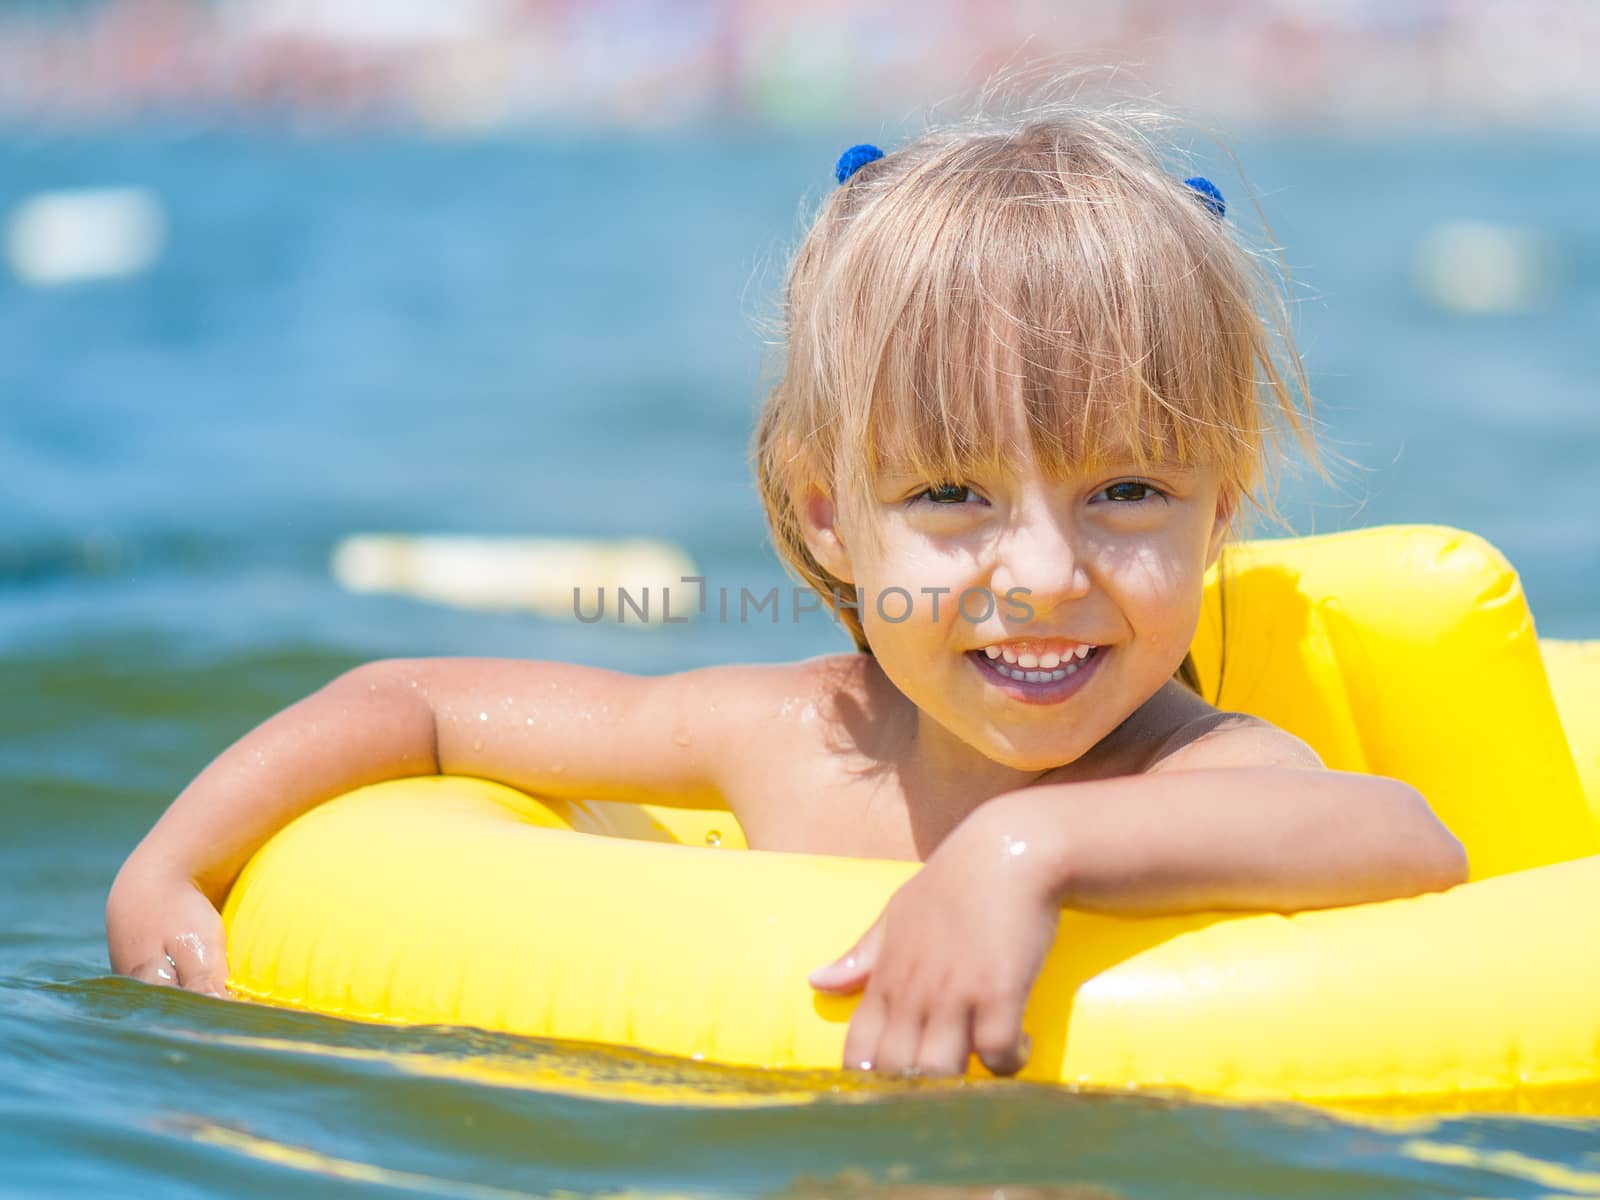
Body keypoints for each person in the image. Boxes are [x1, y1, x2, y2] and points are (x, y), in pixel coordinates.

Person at [105, 95, 1468, 1081]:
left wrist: (1024, 851)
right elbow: (415, 703)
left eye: (1126, 494)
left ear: (1221, 511)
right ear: (830, 518)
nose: (1046, 575)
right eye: (952, 496)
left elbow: (1408, 842)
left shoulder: (1204, 774)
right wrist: (170, 865)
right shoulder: (790, 739)